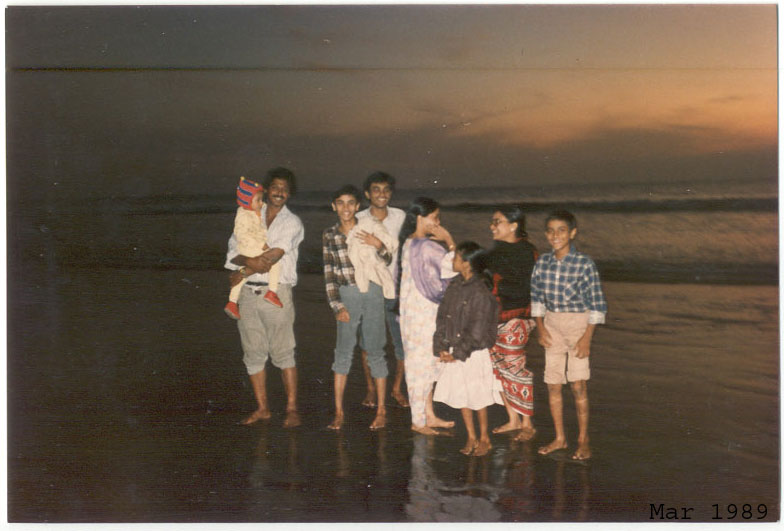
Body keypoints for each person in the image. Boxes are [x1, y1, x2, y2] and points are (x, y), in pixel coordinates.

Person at [225, 167, 305, 428]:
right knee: (253, 352)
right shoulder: (249, 213)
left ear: (290, 193)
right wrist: (244, 266)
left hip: (276, 291)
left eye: (285, 188)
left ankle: (291, 409)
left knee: (284, 352)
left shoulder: (292, 222)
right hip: (247, 294)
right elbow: (232, 252)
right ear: (267, 189)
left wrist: (243, 270)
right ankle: (262, 409)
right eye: (275, 187)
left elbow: (274, 255)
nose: (279, 192)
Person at [530, 210, 607, 461]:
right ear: (546, 234)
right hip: (552, 324)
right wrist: (540, 327)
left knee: (577, 385)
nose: (555, 235)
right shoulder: (542, 263)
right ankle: (560, 438)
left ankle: (583, 440)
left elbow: (597, 305)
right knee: (553, 384)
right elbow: (537, 299)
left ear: (572, 233)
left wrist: (586, 338)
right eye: (550, 231)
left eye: (561, 230)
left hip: (578, 325)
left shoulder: (584, 264)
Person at [322, 184, 395, 431]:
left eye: (350, 202)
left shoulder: (367, 227)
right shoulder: (329, 235)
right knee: (343, 352)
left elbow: (387, 259)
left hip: (372, 291)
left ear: (357, 206)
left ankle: (382, 410)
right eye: (340, 202)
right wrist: (337, 306)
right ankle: (339, 412)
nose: (346, 207)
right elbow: (329, 274)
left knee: (375, 350)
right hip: (347, 294)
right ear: (334, 206)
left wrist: (378, 244)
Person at [433, 241, 501, 457]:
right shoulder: (455, 285)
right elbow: (442, 317)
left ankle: (484, 437)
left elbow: (478, 330)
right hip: (456, 349)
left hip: (473, 352)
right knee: (462, 394)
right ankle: (471, 436)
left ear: (467, 263)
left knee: (477, 396)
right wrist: (442, 346)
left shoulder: (480, 291)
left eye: (456, 257)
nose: (452, 260)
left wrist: (458, 353)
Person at [398, 197, 457, 435]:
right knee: (420, 366)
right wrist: (449, 240)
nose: (438, 222)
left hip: (412, 313)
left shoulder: (409, 242)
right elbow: (457, 268)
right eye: (435, 217)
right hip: (423, 313)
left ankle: (428, 415)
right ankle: (418, 421)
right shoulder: (427, 247)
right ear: (420, 218)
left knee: (424, 364)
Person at [355, 172, 409, 409]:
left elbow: (407, 248)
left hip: (396, 289)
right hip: (369, 289)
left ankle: (396, 389)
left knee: (401, 343)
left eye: (386, 189)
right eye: (376, 189)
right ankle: (370, 389)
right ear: (367, 194)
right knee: (368, 343)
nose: (382, 194)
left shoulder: (400, 216)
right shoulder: (358, 218)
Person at [485, 205, 539, 441]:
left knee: (515, 367)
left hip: (517, 318)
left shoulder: (526, 251)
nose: (492, 226)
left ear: (513, 225)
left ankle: (527, 424)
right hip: (495, 318)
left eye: (497, 221)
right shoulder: (498, 251)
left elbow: (528, 287)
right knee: (498, 367)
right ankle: (513, 419)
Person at [224, 176, 283, 320]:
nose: (261, 203)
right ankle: (272, 292)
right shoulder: (244, 215)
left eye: (261, 199)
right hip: (249, 247)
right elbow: (242, 234)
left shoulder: (254, 211)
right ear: (246, 202)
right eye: (258, 200)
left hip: (251, 246)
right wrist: (261, 245)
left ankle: (232, 302)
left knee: (243, 274)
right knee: (274, 263)